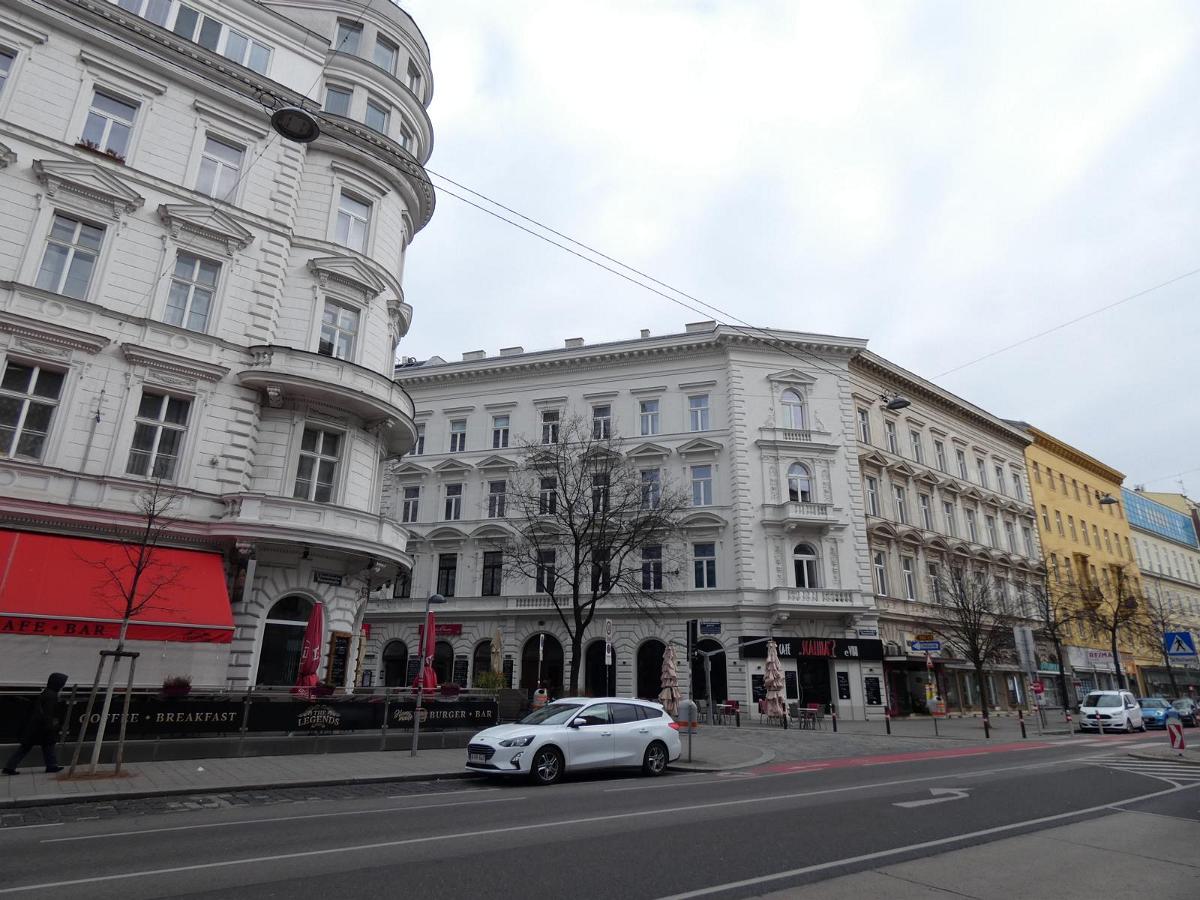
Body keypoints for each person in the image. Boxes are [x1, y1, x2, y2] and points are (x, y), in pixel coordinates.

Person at [3, 672, 68, 775]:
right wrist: (51, 726)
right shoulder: (51, 695)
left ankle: (10, 767)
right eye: (62, 683)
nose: (63, 685)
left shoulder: (46, 692)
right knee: (46, 745)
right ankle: (51, 766)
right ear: (58, 683)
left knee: (32, 746)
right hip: (41, 727)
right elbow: (48, 712)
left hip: (35, 726)